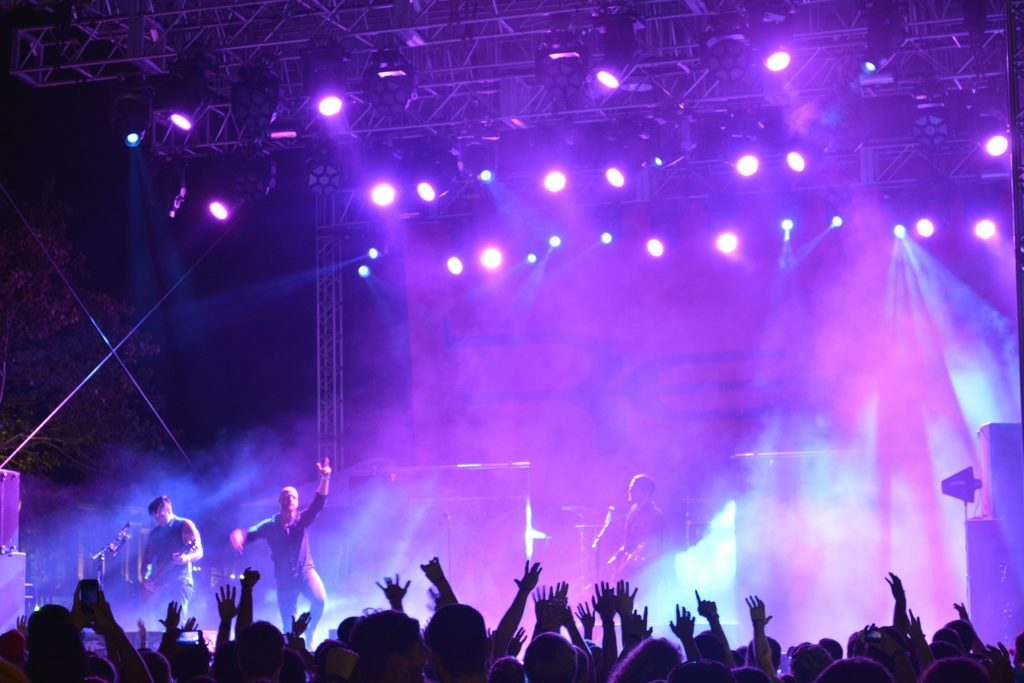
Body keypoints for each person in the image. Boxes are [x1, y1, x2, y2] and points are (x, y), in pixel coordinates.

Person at [230, 458, 331, 641]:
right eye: (285, 496)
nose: (289, 498)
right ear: (279, 501)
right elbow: (251, 533)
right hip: (284, 579)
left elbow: (319, 503)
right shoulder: (270, 524)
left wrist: (325, 478)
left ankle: (309, 633)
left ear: (297, 501)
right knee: (288, 624)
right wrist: (240, 534)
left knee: (320, 600)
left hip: (305, 572)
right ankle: (293, 651)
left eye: (292, 496)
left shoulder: (302, 519)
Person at [142, 496, 203, 618]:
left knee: (176, 622)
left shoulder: (184, 525)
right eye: (155, 516)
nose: (157, 519)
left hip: (180, 581)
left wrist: (186, 558)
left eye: (160, 515)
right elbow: (147, 559)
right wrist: (145, 578)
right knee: (160, 621)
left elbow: (199, 551)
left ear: (169, 510)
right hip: (160, 582)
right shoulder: (154, 533)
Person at [607, 474, 664, 580]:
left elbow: (657, 549)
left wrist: (642, 562)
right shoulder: (633, 510)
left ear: (646, 492)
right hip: (629, 570)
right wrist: (616, 557)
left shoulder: (655, 515)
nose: (629, 490)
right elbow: (627, 542)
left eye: (633, 488)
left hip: (646, 575)